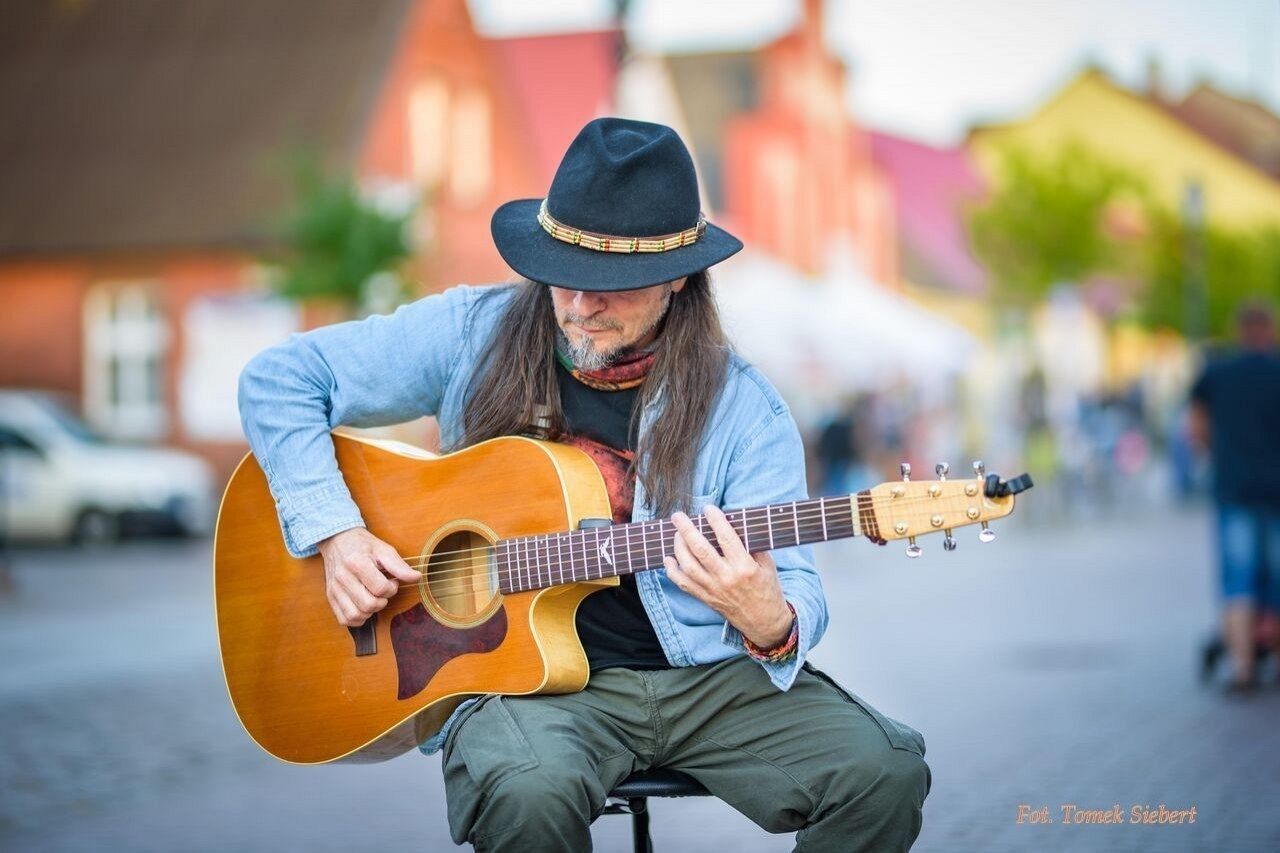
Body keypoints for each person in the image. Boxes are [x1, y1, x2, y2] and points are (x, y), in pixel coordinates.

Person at [239, 117, 929, 851]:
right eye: (563, 272)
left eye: (610, 287)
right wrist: (337, 532)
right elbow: (277, 380)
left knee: (882, 772)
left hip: (700, 678)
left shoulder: (745, 410)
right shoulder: (473, 330)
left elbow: (797, 592)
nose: (577, 303)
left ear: (675, 277)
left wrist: (769, 622)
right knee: (529, 790)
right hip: (529, 685)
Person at [1189, 300, 1280, 693]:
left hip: (1234, 488)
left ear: (1240, 329)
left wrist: (1218, 456)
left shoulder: (1217, 372)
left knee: (1237, 582)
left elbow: (1196, 427)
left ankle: (1243, 668)